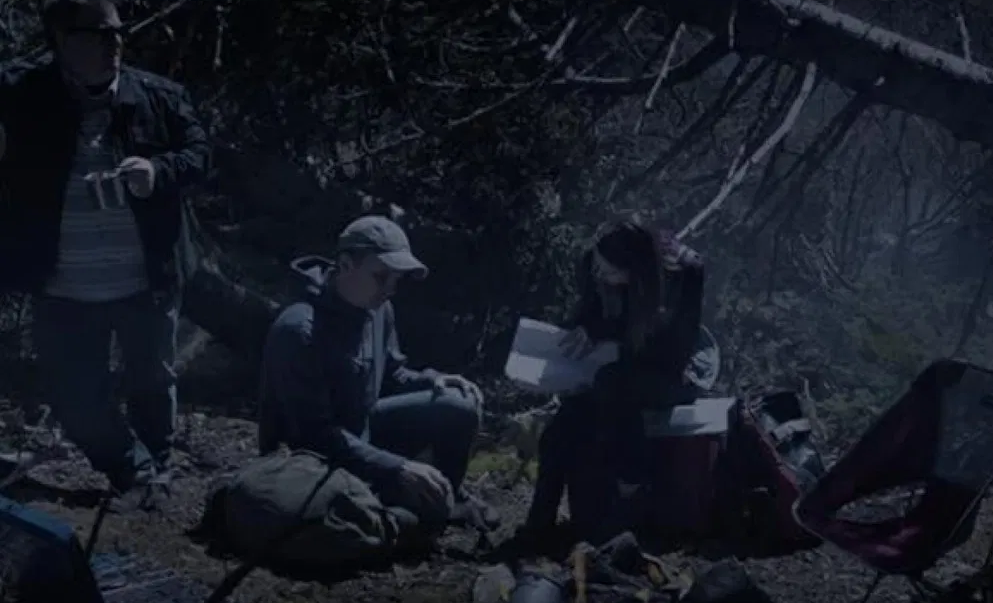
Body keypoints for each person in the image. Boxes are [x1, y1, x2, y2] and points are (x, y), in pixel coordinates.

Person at [0, 0, 210, 498]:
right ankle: (128, 464)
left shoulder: (158, 96)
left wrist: (158, 171)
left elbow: (201, 155)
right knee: (75, 396)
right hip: (62, 282)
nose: (115, 43)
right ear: (60, 40)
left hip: (146, 275)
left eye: (117, 32)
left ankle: (155, 471)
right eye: (98, 34)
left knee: (152, 382)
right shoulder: (20, 94)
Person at [258, 215, 498, 533]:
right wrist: (396, 466)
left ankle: (443, 499)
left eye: (396, 280)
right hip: (305, 461)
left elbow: (392, 374)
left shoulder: (378, 310)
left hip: (361, 435)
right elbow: (313, 435)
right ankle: (401, 507)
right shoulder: (299, 329)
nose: (389, 290)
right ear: (346, 265)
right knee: (398, 526)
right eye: (381, 277)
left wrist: (430, 379)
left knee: (458, 405)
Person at [517, 220, 707, 545]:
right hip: (604, 365)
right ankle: (539, 524)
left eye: (610, 273)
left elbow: (674, 351)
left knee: (610, 390)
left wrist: (612, 339)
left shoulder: (684, 273)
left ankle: (629, 496)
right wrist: (585, 332)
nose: (601, 277)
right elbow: (588, 314)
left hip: (663, 372)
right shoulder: (596, 263)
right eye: (598, 269)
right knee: (561, 427)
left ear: (636, 270)